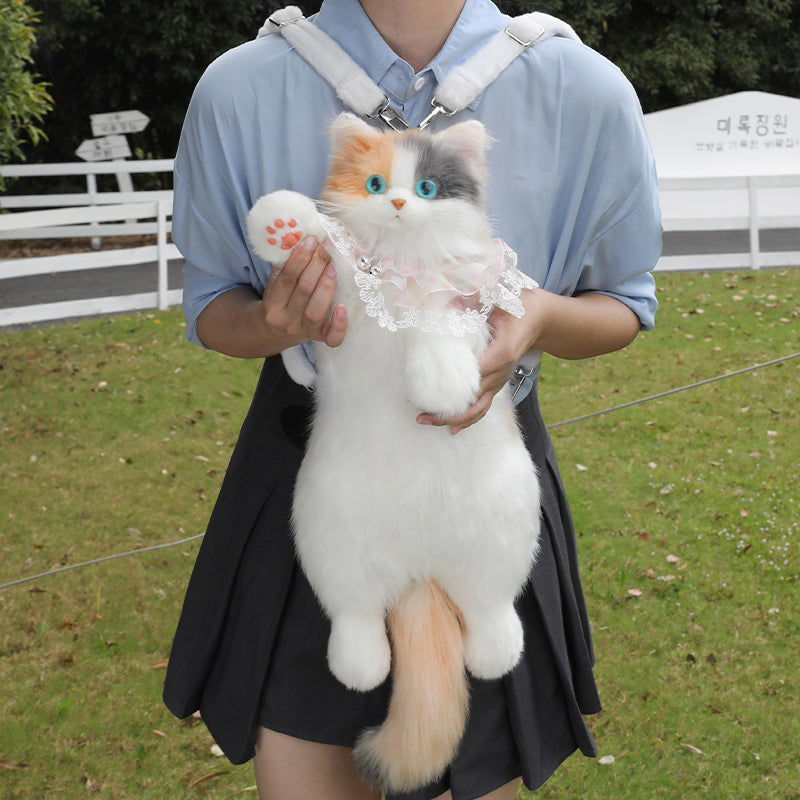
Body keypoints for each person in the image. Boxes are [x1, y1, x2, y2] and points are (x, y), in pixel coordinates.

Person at [162, 1, 662, 798]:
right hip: (315, 466)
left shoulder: (584, 89)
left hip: (483, 478)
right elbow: (213, 304)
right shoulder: (241, 88)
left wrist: (536, 317)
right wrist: (271, 322)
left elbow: (625, 304)